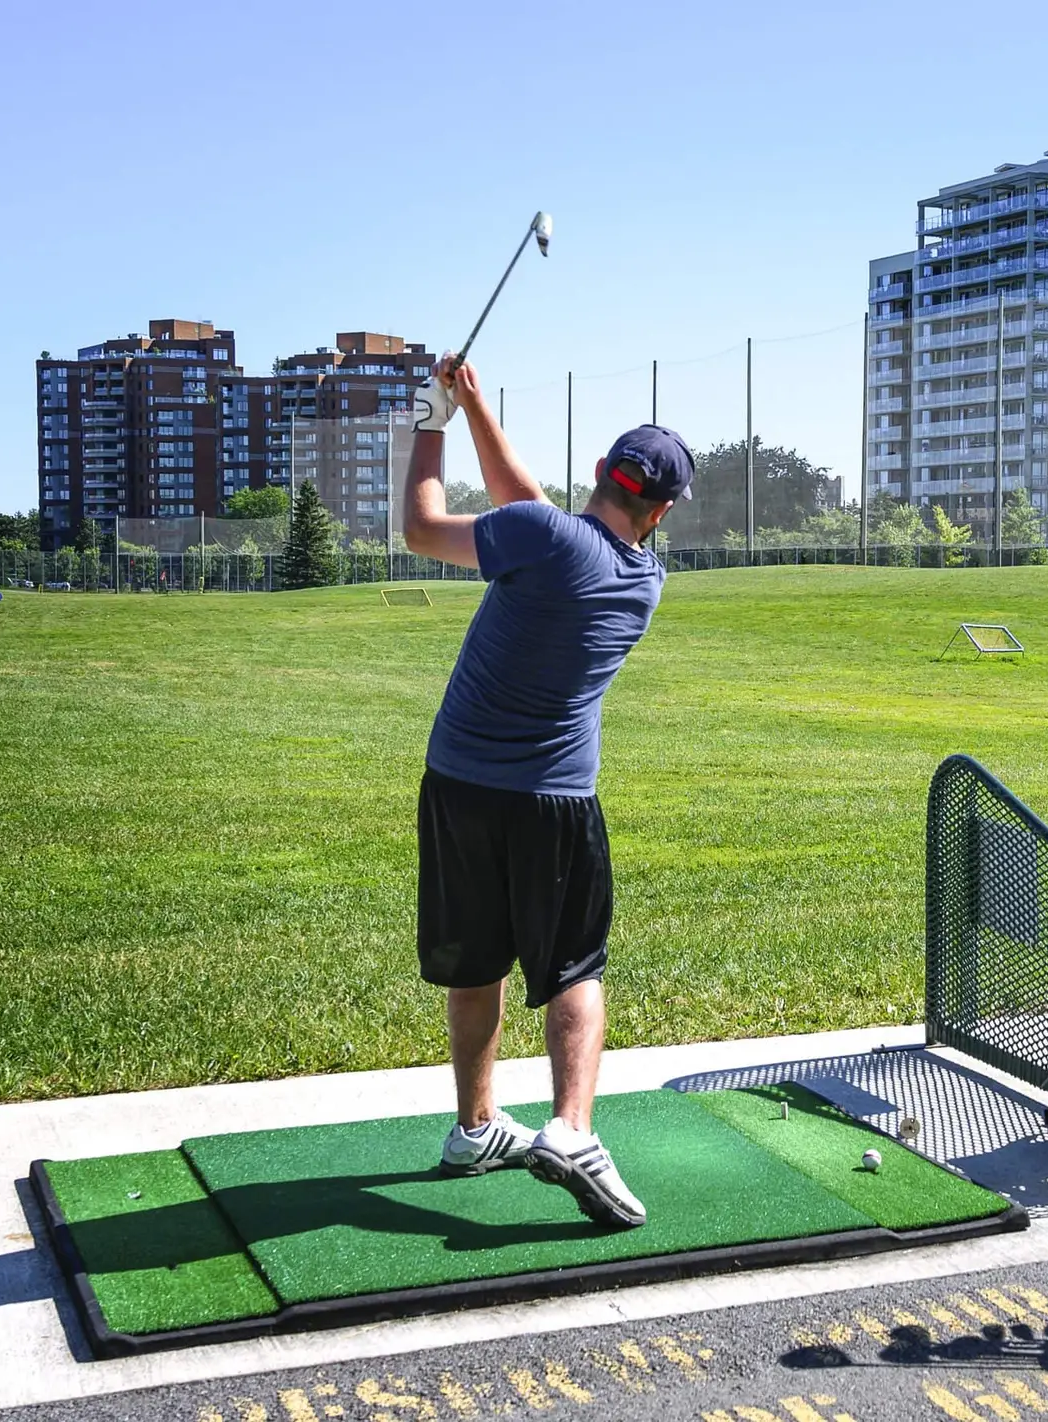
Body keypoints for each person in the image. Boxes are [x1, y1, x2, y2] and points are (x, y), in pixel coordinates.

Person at [401, 353, 693, 1226]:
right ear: (664, 509)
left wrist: (427, 426)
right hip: (554, 801)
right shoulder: (643, 581)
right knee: (572, 963)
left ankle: (474, 1123)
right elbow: (531, 511)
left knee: (476, 957)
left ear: (602, 473)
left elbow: (424, 528)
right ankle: (569, 1126)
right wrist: (476, 412)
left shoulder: (541, 537)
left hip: (457, 782)